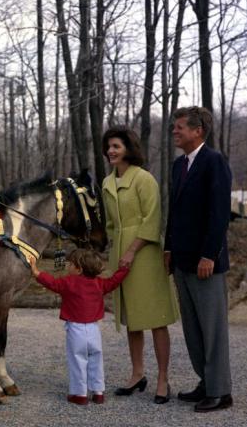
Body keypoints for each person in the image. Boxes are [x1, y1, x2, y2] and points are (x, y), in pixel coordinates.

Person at [101, 126, 179, 405]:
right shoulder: (107, 183)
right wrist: (116, 252)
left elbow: (153, 220)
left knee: (155, 318)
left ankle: (162, 379)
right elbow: (111, 225)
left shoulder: (144, 179)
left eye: (116, 146)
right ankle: (137, 374)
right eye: (109, 146)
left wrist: (132, 250)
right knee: (132, 318)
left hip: (144, 253)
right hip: (120, 253)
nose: (111, 151)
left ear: (128, 149)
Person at [164, 106, 233, 413]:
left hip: (206, 263)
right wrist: (168, 249)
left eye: (180, 127)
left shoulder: (213, 162)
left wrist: (210, 255)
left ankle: (221, 392)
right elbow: (174, 212)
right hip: (181, 260)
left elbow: (218, 214)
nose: (174, 131)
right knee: (193, 329)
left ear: (197, 131)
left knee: (212, 328)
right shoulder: (179, 165)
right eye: (174, 127)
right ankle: (206, 383)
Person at [30, 250, 129, 406]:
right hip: (94, 329)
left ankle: (79, 394)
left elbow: (52, 283)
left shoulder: (68, 282)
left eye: (71, 264)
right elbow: (114, 281)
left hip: (76, 328)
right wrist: (124, 270)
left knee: (77, 360)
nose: (68, 266)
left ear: (79, 268)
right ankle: (98, 392)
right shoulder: (99, 283)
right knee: (96, 359)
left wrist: (36, 272)